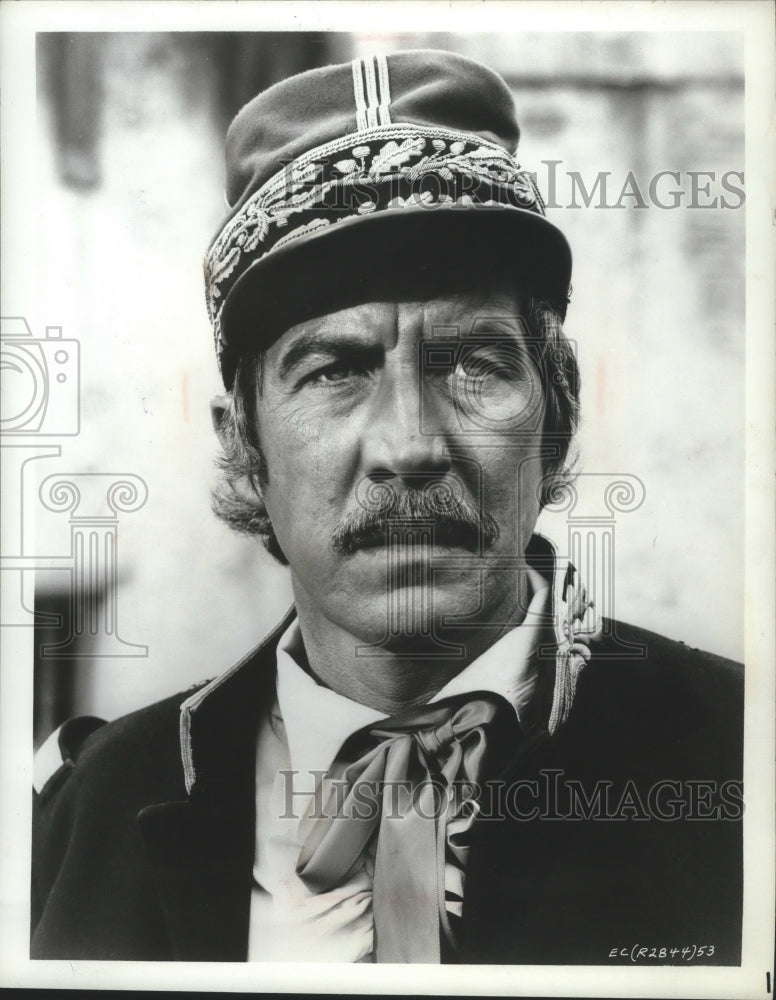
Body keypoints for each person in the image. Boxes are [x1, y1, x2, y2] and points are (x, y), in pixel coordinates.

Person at [31, 49, 743, 964]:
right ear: (245, 451)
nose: (410, 446)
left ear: (556, 421)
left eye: (474, 363)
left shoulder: (740, 762)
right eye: (335, 370)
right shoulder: (81, 816)